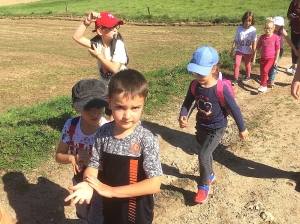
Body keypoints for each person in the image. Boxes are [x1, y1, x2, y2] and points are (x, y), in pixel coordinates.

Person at [64, 69, 163, 224]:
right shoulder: (103, 132)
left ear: (144, 102)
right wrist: (88, 184)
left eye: (135, 108)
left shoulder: (146, 139)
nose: (127, 115)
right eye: (120, 107)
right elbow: (93, 165)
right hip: (109, 208)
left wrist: (111, 191)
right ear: (109, 101)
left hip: (135, 211)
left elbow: (154, 183)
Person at [178, 46, 249, 204]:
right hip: (201, 126)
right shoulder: (195, 85)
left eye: (201, 72)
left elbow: (234, 109)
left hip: (217, 128)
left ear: (214, 68)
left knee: (203, 154)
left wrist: (242, 128)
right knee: (206, 153)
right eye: (195, 72)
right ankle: (210, 174)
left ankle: (204, 186)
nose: (197, 76)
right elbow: (187, 102)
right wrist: (183, 115)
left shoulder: (221, 88)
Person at [55, 79, 109, 222]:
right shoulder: (71, 125)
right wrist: (72, 158)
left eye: (98, 106)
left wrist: (91, 161)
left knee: (100, 216)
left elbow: (115, 166)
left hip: (102, 184)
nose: (94, 112)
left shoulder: (109, 129)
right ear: (76, 107)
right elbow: (59, 155)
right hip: (79, 182)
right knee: (83, 214)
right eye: (87, 108)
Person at [73, 11, 128, 120]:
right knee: (111, 116)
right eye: (111, 27)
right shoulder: (97, 43)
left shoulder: (118, 44)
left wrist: (98, 55)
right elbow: (77, 37)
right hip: (107, 88)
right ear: (100, 31)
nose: (115, 29)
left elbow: (114, 68)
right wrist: (87, 21)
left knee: (117, 117)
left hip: (122, 87)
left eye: (116, 26)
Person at [268, 16, 300, 86]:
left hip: (279, 50)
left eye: (279, 26)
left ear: (281, 26)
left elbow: (289, 41)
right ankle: (269, 74)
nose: (277, 27)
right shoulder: (270, 30)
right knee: (269, 63)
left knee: (275, 63)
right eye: (275, 25)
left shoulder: (282, 31)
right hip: (270, 49)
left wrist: (295, 50)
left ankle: (271, 80)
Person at [252, 19, 280, 93]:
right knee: (262, 73)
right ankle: (263, 84)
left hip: (271, 58)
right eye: (266, 28)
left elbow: (278, 49)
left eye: (270, 29)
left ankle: (264, 85)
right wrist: (254, 59)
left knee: (265, 70)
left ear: (273, 28)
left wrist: (276, 60)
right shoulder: (262, 37)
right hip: (262, 58)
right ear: (264, 28)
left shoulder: (276, 37)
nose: (268, 30)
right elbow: (257, 48)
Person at [230, 11, 257, 86]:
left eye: (249, 21)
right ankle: (235, 78)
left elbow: (254, 43)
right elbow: (235, 40)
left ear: (252, 21)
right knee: (236, 63)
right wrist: (232, 50)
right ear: (243, 20)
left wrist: (254, 56)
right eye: (246, 20)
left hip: (248, 51)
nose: (247, 22)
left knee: (247, 64)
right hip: (239, 49)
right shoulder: (239, 29)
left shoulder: (253, 30)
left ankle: (248, 76)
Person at [287, 0, 300, 74]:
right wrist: (291, 15)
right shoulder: (294, 3)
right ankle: (293, 65)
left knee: (298, 46)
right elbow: (288, 14)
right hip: (294, 28)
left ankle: (297, 65)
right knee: (294, 46)